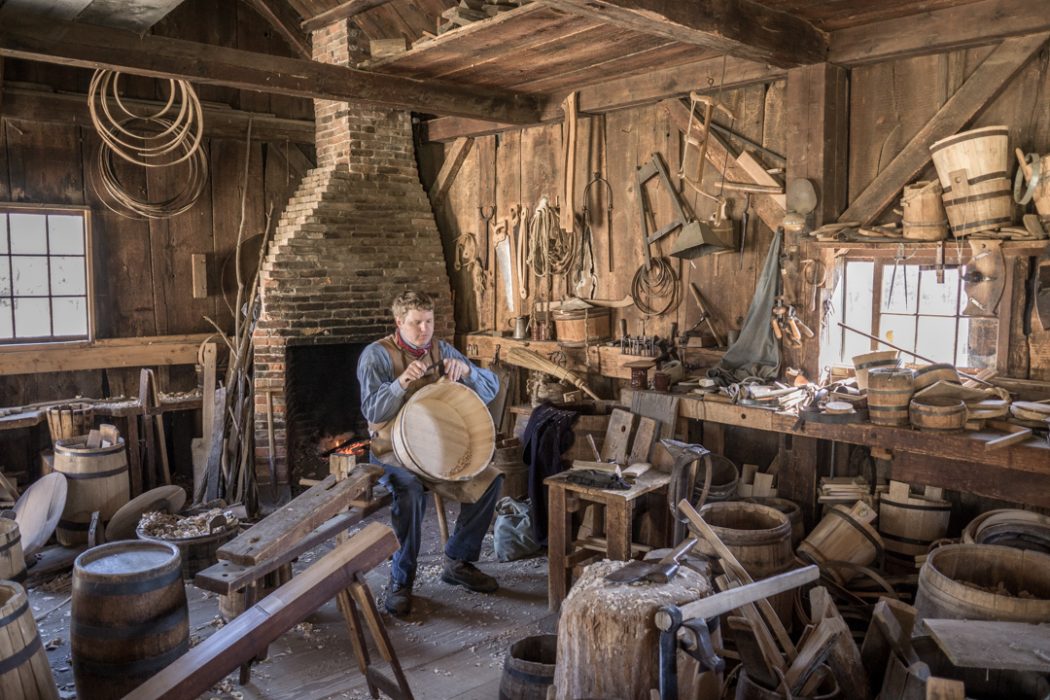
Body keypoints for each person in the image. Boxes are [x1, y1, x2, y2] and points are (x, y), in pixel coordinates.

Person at [357, 290, 503, 616]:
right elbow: (372, 411)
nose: (423, 330)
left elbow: (492, 388)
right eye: (415, 323)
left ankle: (457, 560)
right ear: (399, 322)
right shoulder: (376, 356)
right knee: (409, 491)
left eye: (428, 322)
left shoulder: (442, 350)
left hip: (436, 449)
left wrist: (467, 372)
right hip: (391, 449)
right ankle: (402, 579)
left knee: (490, 478)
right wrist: (400, 384)